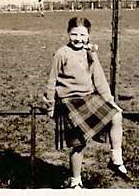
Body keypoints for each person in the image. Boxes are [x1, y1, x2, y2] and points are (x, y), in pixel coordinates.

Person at [43, 17, 129, 188]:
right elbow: (51, 81)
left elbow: (100, 79)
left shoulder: (90, 53)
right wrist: (50, 107)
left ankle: (116, 158)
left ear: (89, 35)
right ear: (68, 33)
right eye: (74, 34)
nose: (78, 38)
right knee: (78, 143)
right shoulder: (62, 53)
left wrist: (110, 102)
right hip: (69, 101)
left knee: (116, 115)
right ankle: (76, 181)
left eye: (82, 34)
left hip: (89, 97)